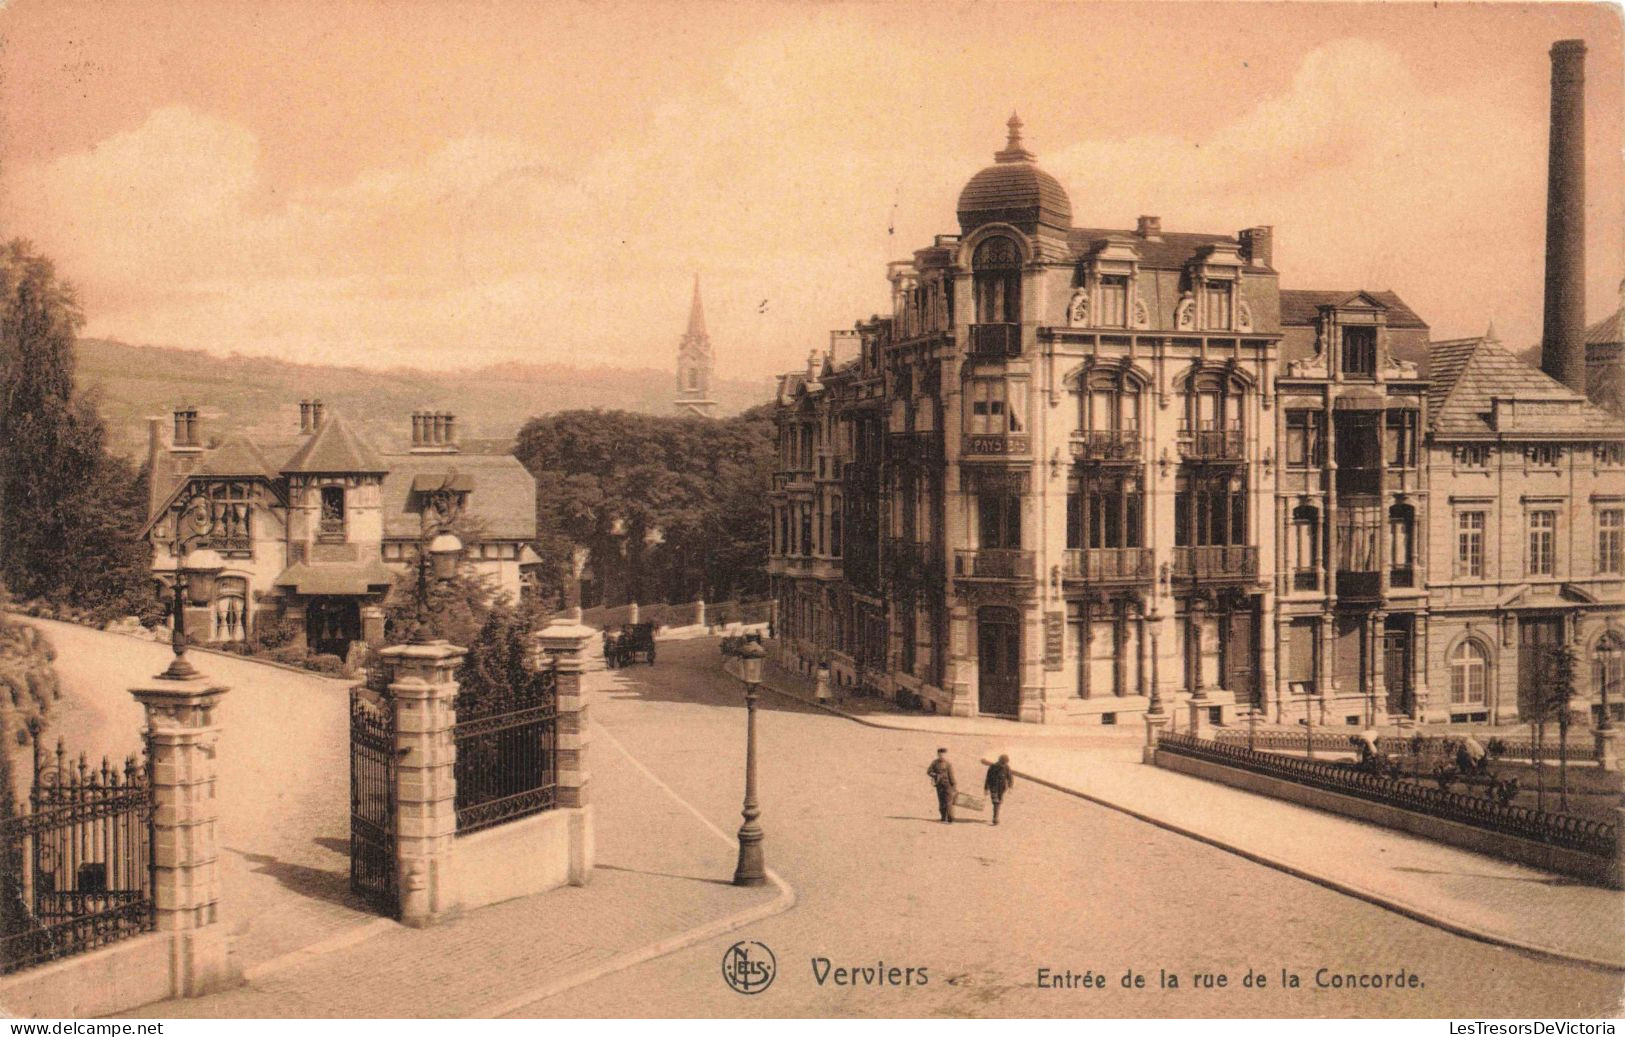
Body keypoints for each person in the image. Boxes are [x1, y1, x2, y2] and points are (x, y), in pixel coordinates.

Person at [926, 748, 956, 824]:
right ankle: (943, 818)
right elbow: (929, 771)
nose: (941, 756)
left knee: (948, 802)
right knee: (941, 802)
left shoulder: (948, 764)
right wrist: (935, 775)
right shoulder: (934, 763)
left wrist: (954, 785)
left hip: (948, 785)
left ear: (945, 755)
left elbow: (951, 775)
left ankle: (950, 819)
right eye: (939, 754)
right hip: (939, 785)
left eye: (943, 754)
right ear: (937, 754)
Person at [984, 755, 1014, 826]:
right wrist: (986, 789)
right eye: (1002, 763)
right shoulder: (993, 767)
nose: (1003, 765)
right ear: (999, 761)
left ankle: (996, 816)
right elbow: (988, 778)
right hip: (993, 787)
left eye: (1005, 763)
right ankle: (995, 818)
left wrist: (1010, 787)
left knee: (999, 802)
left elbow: (1010, 778)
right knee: (996, 802)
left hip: (1002, 788)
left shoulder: (1006, 767)